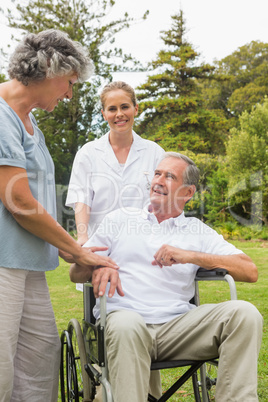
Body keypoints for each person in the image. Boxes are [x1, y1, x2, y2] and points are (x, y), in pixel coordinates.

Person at [70, 152, 263, 402]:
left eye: (169, 176)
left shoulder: (196, 231)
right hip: (126, 323)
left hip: (178, 328)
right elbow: (76, 273)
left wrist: (192, 255)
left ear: (188, 192)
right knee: (128, 325)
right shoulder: (120, 220)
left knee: (244, 314)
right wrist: (97, 265)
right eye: (157, 173)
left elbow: (250, 270)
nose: (158, 180)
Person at [0, 29, 119, 402]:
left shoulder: (31, 124)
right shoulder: (2, 117)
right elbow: (17, 200)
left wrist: (68, 247)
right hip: (2, 263)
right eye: (69, 83)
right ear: (50, 69)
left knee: (39, 365)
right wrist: (76, 249)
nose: (69, 93)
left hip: (30, 264)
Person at [66, 80, 164, 397]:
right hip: (104, 252)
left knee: (148, 313)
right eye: (112, 108)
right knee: (116, 320)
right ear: (104, 113)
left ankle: (145, 391)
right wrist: (83, 241)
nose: (119, 114)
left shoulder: (154, 152)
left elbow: (165, 199)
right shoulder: (89, 153)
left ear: (135, 109)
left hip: (145, 252)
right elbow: (81, 199)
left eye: (125, 107)